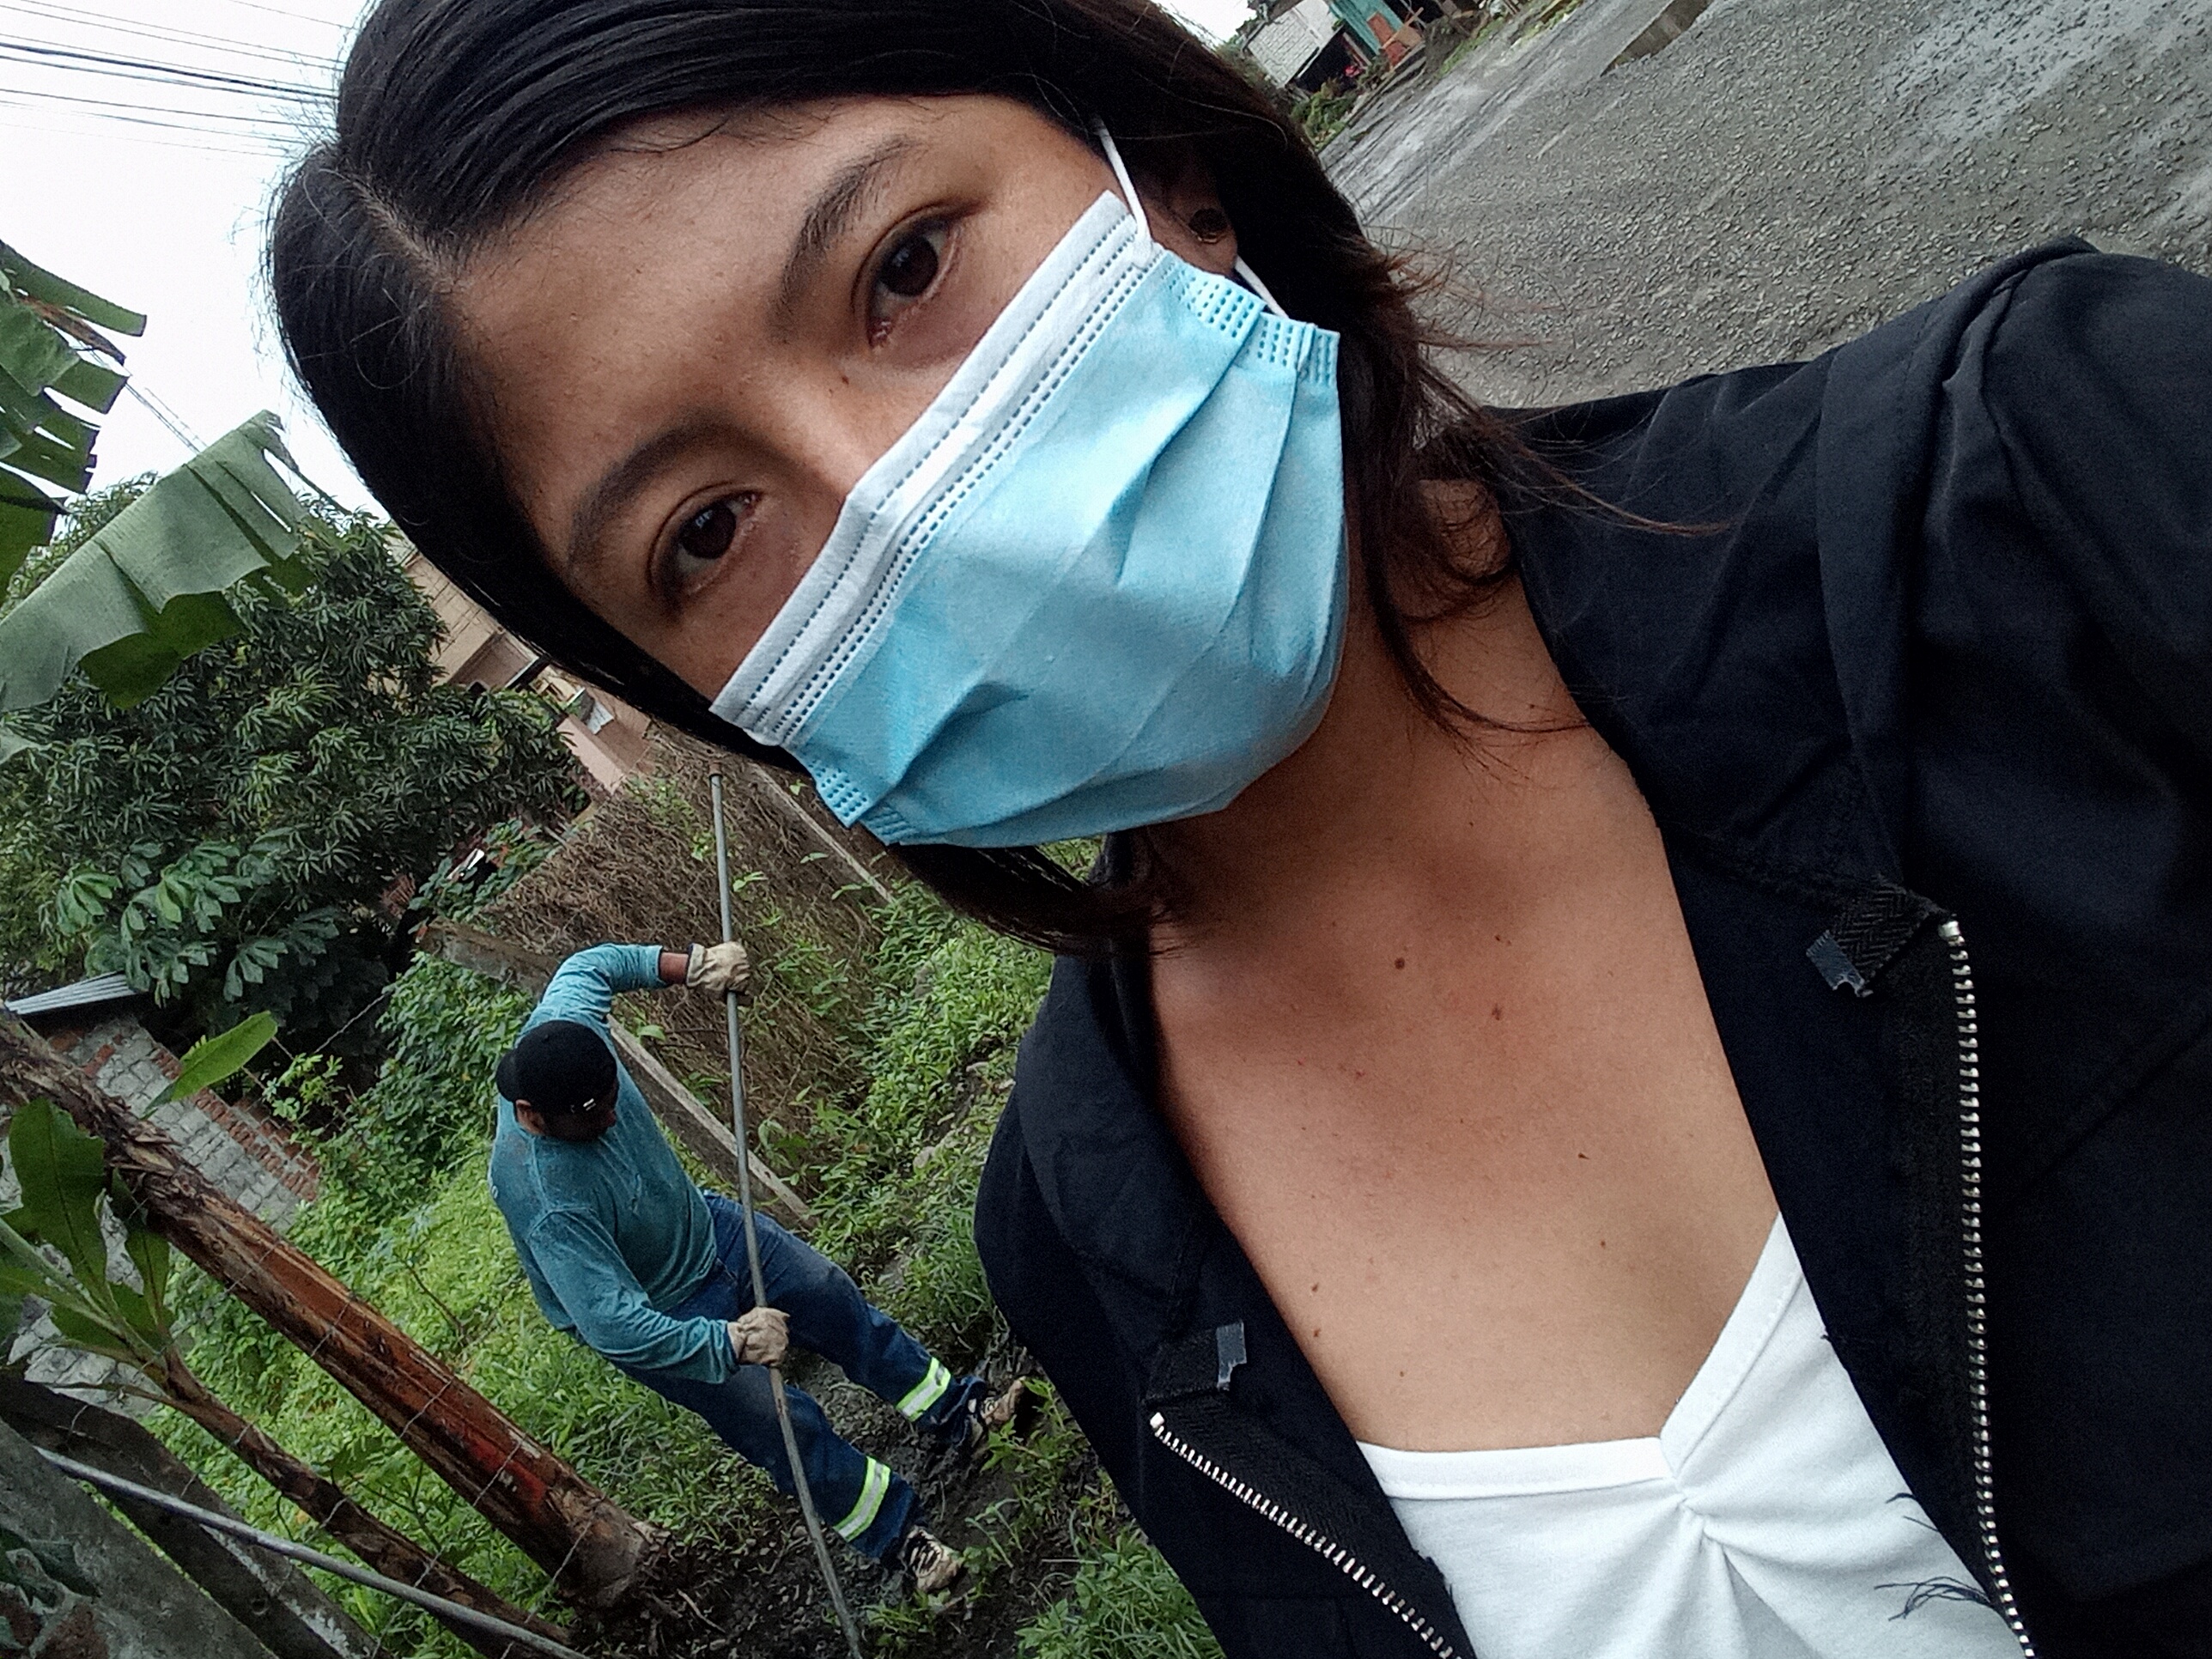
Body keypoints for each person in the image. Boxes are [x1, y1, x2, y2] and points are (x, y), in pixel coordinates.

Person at [269, 3, 2211, 1655]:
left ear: (1169, 172)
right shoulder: (1080, 1233)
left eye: (906, 268)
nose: (904, 504)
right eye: (706, 532)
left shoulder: (2056, 485)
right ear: (716, 702)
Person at [486, 940, 981, 1595]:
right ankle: (899, 1537)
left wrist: (692, 966)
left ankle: (956, 1411)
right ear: (532, 1117)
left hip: (706, 1227)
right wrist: (729, 1341)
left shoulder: (568, 1026)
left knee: (825, 1291)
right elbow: (612, 1324)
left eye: (611, 1100)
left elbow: (589, 965)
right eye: (592, 1117)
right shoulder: (543, 1197)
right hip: (663, 1315)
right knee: (780, 1422)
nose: (611, 1118)